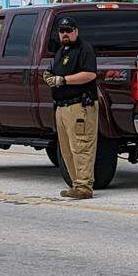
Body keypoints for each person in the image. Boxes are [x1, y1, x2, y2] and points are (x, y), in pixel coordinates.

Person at [42, 17, 99, 199]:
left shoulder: (85, 49)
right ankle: (77, 185)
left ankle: (84, 187)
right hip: (61, 107)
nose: (65, 34)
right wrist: (49, 75)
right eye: (62, 30)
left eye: (68, 30)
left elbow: (89, 74)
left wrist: (63, 80)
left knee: (81, 146)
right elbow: (55, 71)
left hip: (79, 107)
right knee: (67, 149)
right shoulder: (61, 51)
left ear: (76, 31)